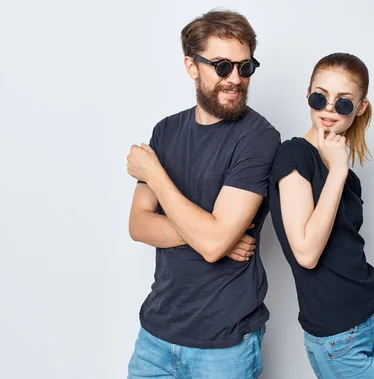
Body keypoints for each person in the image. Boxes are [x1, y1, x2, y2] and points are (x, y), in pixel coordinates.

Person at [125, 9, 280, 379]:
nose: (235, 79)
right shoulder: (165, 131)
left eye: (245, 67)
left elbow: (212, 243)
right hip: (155, 336)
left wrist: (156, 176)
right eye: (222, 66)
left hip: (224, 345)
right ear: (191, 66)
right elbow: (138, 225)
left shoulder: (259, 137)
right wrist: (215, 234)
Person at [268, 53, 374, 379]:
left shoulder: (350, 178)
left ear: (360, 107)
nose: (328, 108)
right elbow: (307, 253)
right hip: (339, 336)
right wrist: (337, 171)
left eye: (343, 103)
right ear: (308, 93)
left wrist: (341, 171)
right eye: (319, 96)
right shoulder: (294, 155)